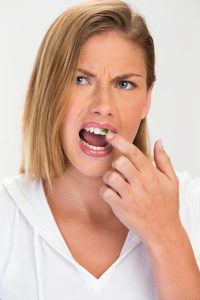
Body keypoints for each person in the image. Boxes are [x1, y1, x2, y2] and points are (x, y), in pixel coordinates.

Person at [0, 0, 200, 299]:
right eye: (80, 80)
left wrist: (165, 232)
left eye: (124, 84)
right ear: (49, 90)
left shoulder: (191, 206)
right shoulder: (8, 216)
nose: (103, 106)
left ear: (147, 99)